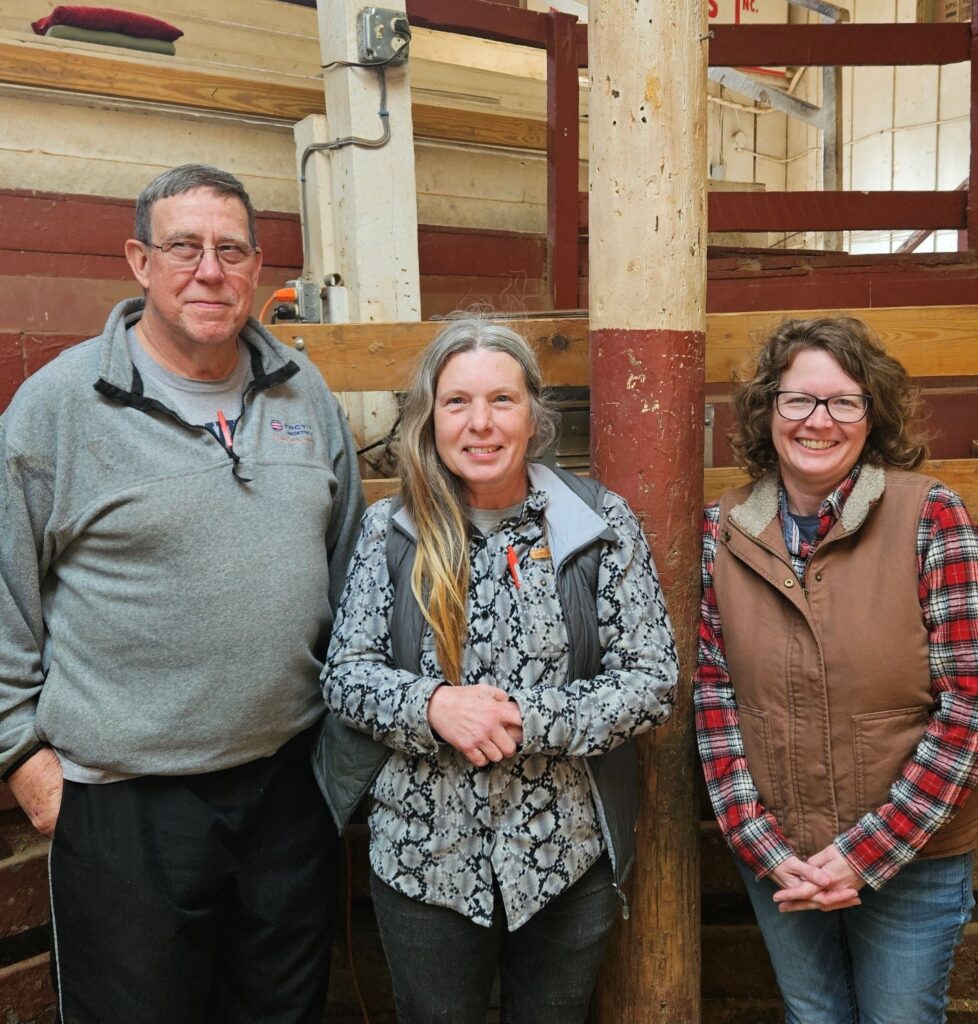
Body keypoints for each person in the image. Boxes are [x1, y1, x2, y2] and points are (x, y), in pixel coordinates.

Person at [0, 164, 364, 1024]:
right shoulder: (59, 407)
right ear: (138, 260)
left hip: (285, 788)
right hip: (125, 802)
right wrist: (24, 759)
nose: (210, 270)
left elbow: (349, 571)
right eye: (183, 247)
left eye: (231, 249)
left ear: (258, 264)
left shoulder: (303, 394)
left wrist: (334, 765)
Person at [317, 318, 678, 1023]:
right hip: (424, 858)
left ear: (534, 415)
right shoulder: (390, 529)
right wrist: (434, 707)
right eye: (457, 403)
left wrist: (524, 719)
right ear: (430, 417)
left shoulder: (597, 523)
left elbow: (651, 680)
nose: (480, 424)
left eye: (501, 401)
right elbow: (345, 675)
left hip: (563, 855)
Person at [695, 315, 978, 1024]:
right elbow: (713, 697)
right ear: (768, 410)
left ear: (871, 413)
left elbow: (969, 703)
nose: (818, 420)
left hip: (915, 852)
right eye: (798, 400)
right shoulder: (722, 530)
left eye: (843, 401)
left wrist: (864, 852)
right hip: (780, 853)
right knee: (813, 1017)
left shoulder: (930, 516)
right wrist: (757, 840)